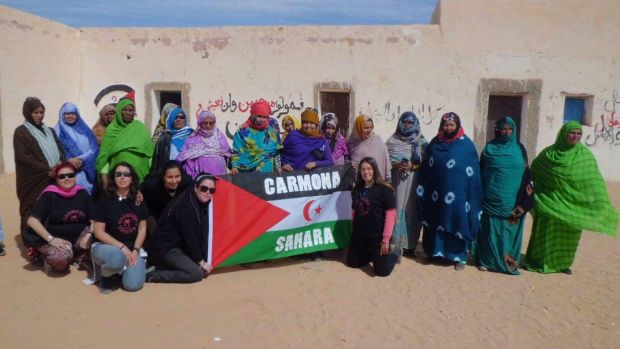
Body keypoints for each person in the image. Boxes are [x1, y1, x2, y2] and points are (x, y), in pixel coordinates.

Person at [523, 121, 618, 274]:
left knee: (568, 237)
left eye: (579, 134)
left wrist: (600, 203)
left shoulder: (584, 156)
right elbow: (535, 173)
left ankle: (561, 265)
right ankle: (540, 261)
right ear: (563, 134)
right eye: (572, 133)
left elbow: (593, 180)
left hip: (572, 206)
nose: (575, 136)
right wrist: (537, 194)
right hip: (550, 203)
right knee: (546, 234)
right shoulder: (548, 155)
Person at [416, 112, 483, 270]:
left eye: (452, 125)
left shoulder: (466, 145)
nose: (449, 128)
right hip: (436, 192)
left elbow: (473, 173)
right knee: (435, 218)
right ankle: (435, 252)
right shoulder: (434, 143)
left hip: (459, 195)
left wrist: (470, 193)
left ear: (457, 125)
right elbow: (427, 167)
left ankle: (458, 256)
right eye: (446, 125)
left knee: (457, 220)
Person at [475, 117, 534, 274]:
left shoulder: (520, 149)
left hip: (512, 200)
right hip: (491, 198)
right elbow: (481, 172)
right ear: (497, 130)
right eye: (503, 129)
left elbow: (526, 173)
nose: (507, 132)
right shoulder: (489, 149)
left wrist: (525, 200)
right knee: (490, 231)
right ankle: (486, 262)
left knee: (508, 232)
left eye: (510, 129)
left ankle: (508, 264)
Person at [145, 173, 217, 283]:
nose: (207, 192)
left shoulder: (193, 199)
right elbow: (190, 238)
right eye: (204, 188)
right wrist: (201, 262)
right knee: (196, 274)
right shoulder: (187, 207)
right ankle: (155, 275)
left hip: (179, 244)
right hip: (168, 248)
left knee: (199, 265)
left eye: (212, 190)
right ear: (195, 187)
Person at [24, 162, 94, 273]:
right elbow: (32, 221)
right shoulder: (49, 195)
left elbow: (95, 218)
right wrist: (51, 239)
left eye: (70, 175)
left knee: (101, 244)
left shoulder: (82, 194)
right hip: (57, 241)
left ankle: (77, 255)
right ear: (56, 179)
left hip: (80, 240)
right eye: (62, 176)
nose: (67, 178)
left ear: (75, 177)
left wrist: (90, 233)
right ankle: (49, 261)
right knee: (60, 258)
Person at [92, 162, 148, 293]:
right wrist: (122, 247)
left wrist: (135, 249)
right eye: (118, 174)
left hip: (131, 249)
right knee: (117, 258)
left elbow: (142, 228)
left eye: (126, 174)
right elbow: (98, 232)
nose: (122, 177)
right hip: (108, 248)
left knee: (133, 285)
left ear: (131, 178)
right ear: (113, 178)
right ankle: (106, 274)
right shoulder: (105, 199)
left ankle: (119, 272)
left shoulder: (138, 199)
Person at [14, 97, 65, 238]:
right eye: (35, 112)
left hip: (53, 178)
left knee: (51, 210)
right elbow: (23, 157)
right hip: (32, 181)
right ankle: (33, 246)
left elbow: (61, 150)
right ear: (28, 113)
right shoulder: (21, 132)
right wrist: (46, 169)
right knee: (32, 211)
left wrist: (60, 164)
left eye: (41, 112)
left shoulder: (49, 130)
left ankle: (51, 243)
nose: (39, 115)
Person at [347, 157, 399, 277]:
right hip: (360, 234)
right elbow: (354, 211)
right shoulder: (357, 189)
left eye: (369, 169)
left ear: (374, 170)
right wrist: (352, 227)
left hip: (378, 237)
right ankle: (372, 255)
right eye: (363, 169)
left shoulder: (384, 190)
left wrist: (385, 240)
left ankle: (395, 253)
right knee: (353, 263)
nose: (366, 172)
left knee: (382, 272)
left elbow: (391, 215)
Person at [385, 111, 428, 254]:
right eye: (404, 122)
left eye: (410, 122)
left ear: (415, 123)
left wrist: (412, 166)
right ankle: (396, 243)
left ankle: (410, 246)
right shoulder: (392, 141)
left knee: (411, 210)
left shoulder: (421, 141)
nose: (407, 125)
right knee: (396, 208)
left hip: (414, 181)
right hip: (396, 180)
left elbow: (427, 163)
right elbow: (386, 160)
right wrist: (395, 164)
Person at [96, 98, 154, 185]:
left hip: (141, 176)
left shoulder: (140, 127)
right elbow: (104, 156)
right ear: (119, 111)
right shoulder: (111, 130)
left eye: (131, 110)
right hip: (119, 178)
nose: (128, 113)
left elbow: (149, 151)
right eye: (125, 110)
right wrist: (105, 180)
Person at [55, 102, 99, 194]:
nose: (70, 116)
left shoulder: (84, 128)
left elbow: (94, 148)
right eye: (67, 114)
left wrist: (81, 159)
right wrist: (69, 161)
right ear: (62, 115)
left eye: (73, 113)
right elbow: (55, 151)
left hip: (87, 171)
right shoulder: (57, 131)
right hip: (68, 173)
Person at [230, 99, 282, 174]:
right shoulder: (243, 130)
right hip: (247, 171)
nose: (262, 120)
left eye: (264, 117)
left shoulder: (272, 130)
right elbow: (237, 150)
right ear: (253, 115)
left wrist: (278, 166)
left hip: (268, 168)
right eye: (259, 116)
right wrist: (234, 166)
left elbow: (276, 150)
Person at [142, 160, 192, 234]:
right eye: (170, 177)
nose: (174, 181)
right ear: (163, 177)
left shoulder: (186, 182)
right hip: (154, 212)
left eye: (177, 176)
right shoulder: (151, 185)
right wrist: (138, 194)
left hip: (174, 213)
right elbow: (137, 190)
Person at [177, 108, 231, 177]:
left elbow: (227, 152)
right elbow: (183, 155)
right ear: (200, 123)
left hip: (220, 173)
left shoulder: (220, 136)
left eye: (211, 123)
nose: (208, 126)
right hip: (200, 174)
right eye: (205, 123)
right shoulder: (193, 137)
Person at [347, 114, 391, 181]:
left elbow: (386, 159)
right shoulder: (351, 142)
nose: (369, 130)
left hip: (378, 181)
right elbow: (346, 158)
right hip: (359, 181)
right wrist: (349, 163)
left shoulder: (377, 140)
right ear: (358, 128)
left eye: (371, 127)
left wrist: (388, 177)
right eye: (366, 128)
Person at [151, 107, 193, 173]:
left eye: (181, 117)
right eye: (175, 117)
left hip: (188, 174)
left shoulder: (192, 135)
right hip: (169, 174)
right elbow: (156, 160)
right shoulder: (164, 137)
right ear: (171, 119)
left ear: (185, 119)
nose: (178, 119)